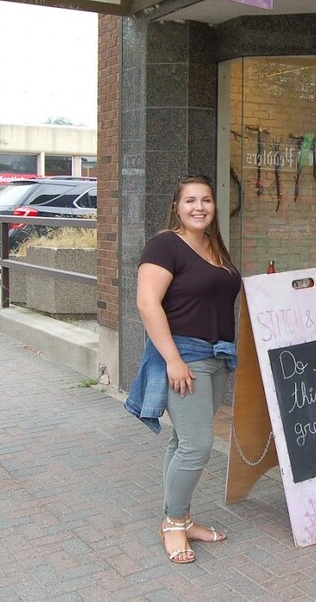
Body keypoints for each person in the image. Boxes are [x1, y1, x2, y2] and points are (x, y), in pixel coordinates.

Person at [124, 175, 241, 564]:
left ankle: (183, 517)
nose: (199, 207)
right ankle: (173, 523)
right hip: (184, 358)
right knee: (198, 445)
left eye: (206, 200)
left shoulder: (214, 247)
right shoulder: (164, 245)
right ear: (177, 206)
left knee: (184, 442)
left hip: (217, 357)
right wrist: (173, 359)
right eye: (190, 200)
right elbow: (147, 304)